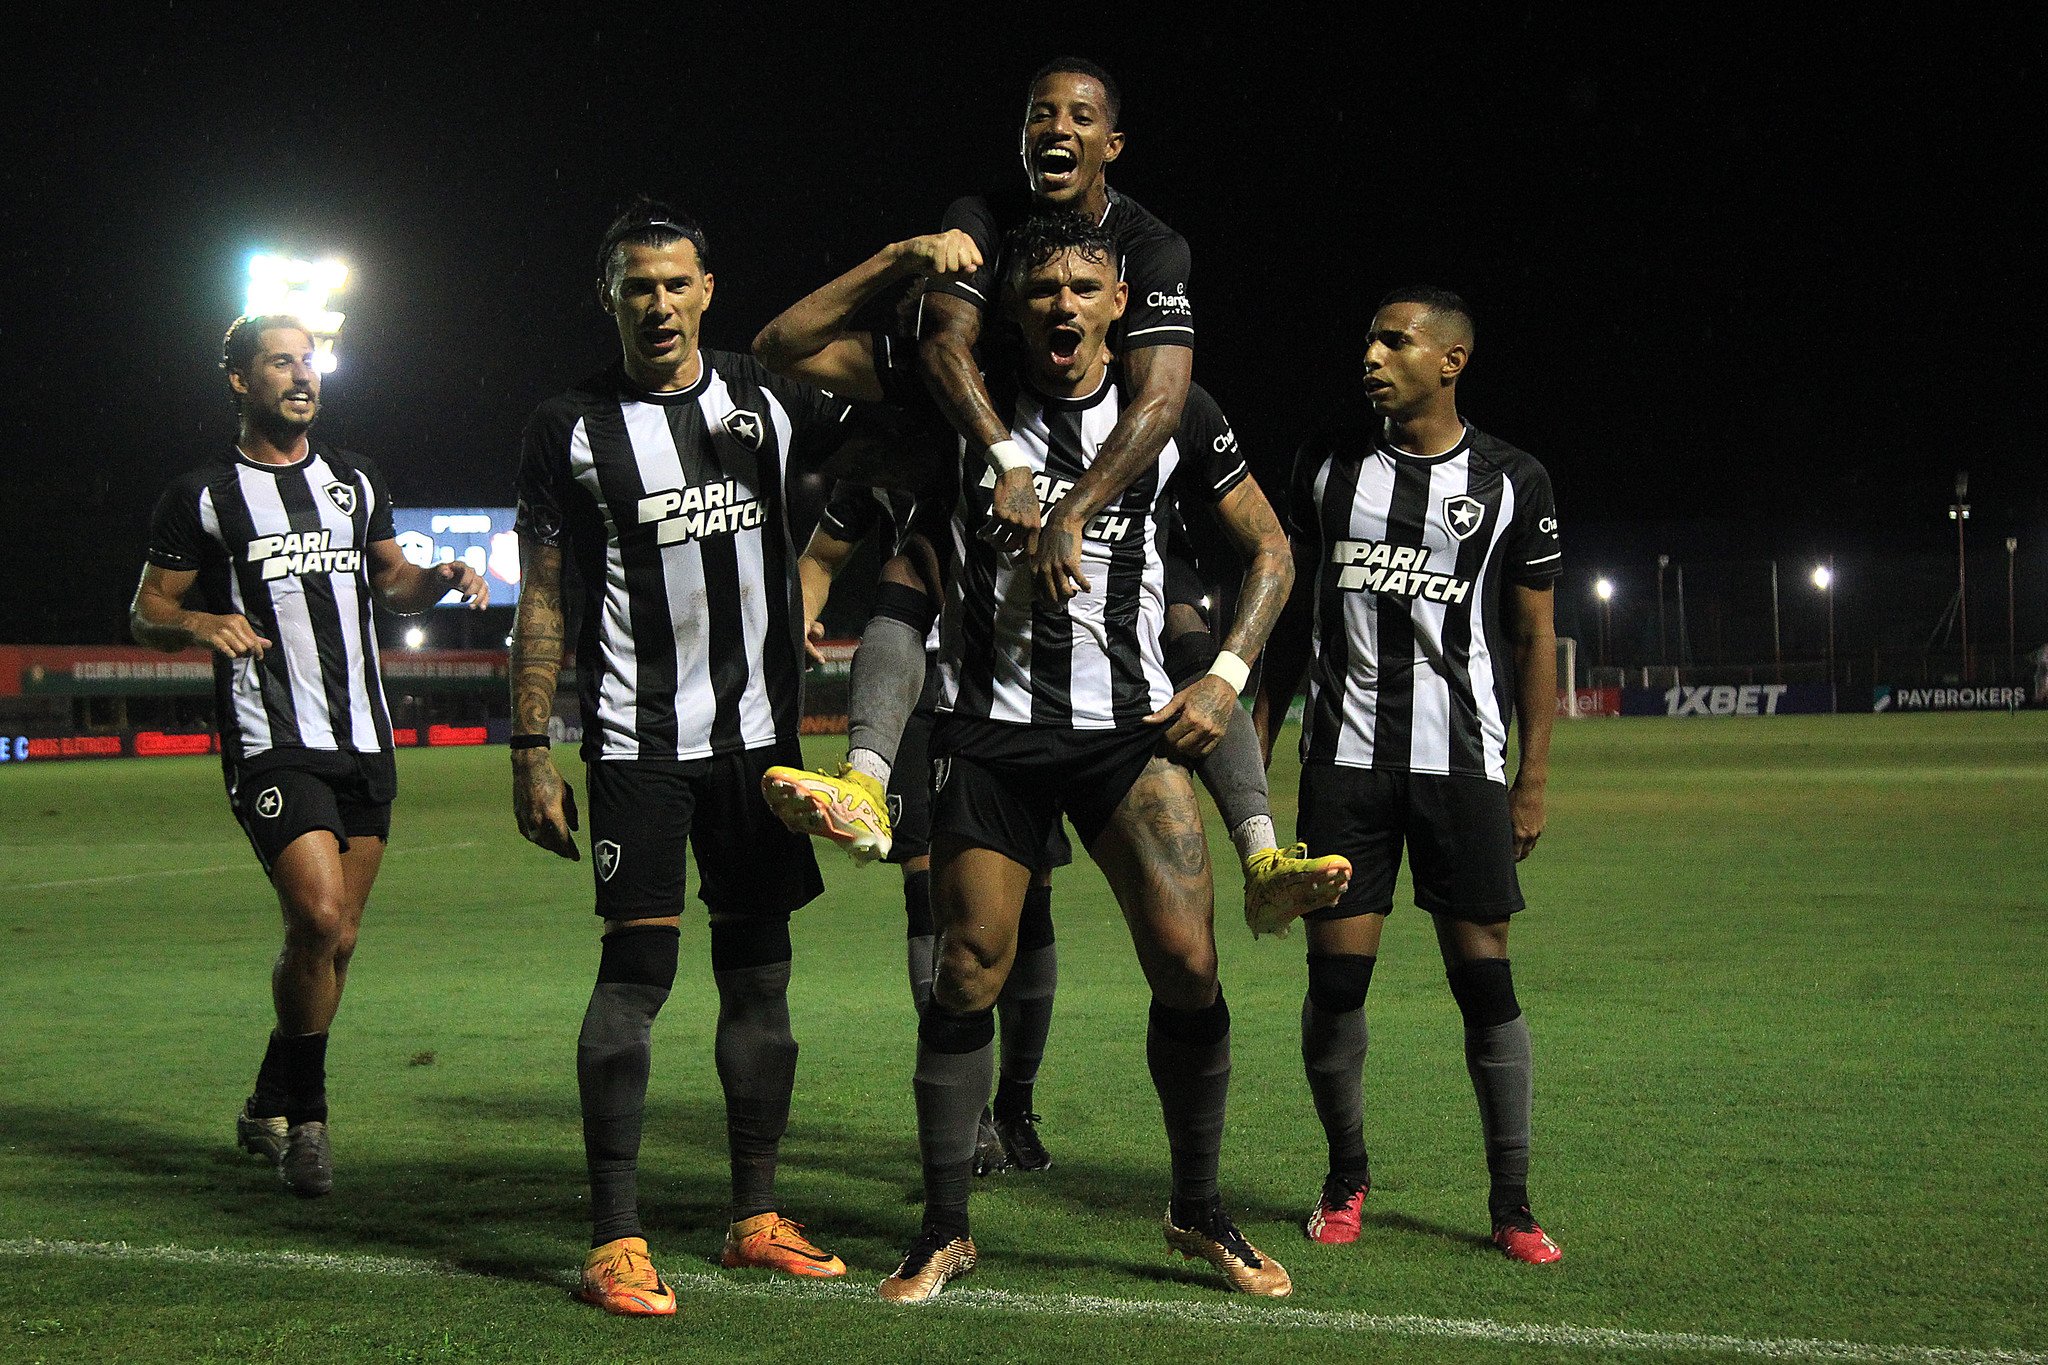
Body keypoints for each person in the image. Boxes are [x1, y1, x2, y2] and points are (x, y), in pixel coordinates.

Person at [750, 210, 1299, 1301]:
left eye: (1081, 287)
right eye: (1039, 286)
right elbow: (785, 345)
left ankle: (1198, 1212)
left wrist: (1224, 673)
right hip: (987, 734)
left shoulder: (1176, 413)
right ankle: (944, 1226)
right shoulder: (962, 402)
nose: (1059, 303)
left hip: (1122, 735)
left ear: (1118, 306)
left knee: (1189, 965)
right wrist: (903, 256)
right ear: (1012, 303)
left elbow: (1270, 551)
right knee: (963, 971)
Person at [507, 200, 976, 1317]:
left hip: (761, 742)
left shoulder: (763, 394)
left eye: (676, 284)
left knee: (760, 980)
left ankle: (752, 1214)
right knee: (637, 978)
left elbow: (907, 420)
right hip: (637, 741)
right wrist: (530, 743)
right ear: (608, 298)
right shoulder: (567, 426)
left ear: (706, 291)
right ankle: (614, 1237)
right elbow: (540, 597)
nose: (658, 305)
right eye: (636, 287)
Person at [764, 55, 1346, 941]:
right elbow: (891, 347)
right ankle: (865, 782)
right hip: (988, 478)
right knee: (921, 556)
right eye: (1039, 114)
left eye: (1079, 116)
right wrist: (906, 264)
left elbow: (1160, 399)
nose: (1056, 129)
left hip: (1122, 492)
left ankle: (1261, 848)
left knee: (1183, 619)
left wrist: (1073, 509)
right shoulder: (981, 222)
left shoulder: (1154, 248)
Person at [131, 314, 488, 1199]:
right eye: (280, 362)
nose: (302, 375)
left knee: (338, 939)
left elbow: (390, 577)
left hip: (365, 739)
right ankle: (312, 1119)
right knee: (320, 920)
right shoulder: (203, 495)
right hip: (271, 740)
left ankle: (264, 1101)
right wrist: (200, 620)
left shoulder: (355, 482)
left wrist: (438, 578)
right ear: (239, 381)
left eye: (310, 360)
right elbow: (147, 609)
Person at [1253, 287, 1565, 1264]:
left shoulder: (1513, 478)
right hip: (1342, 766)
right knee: (1336, 984)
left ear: (1450, 361)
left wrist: (1530, 780)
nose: (1372, 356)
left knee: (1485, 986)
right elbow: (1291, 624)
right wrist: (1252, 758)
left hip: (1460, 766)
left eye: (1395, 341)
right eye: (1368, 340)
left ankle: (1510, 1205)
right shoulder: (1323, 466)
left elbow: (1532, 634)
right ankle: (1343, 1180)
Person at [788, 478, 1069, 1175]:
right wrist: (799, 614)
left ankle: (1016, 1103)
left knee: (1031, 902)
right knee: (932, 900)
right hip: (920, 699)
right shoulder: (900, 454)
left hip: (1012, 691)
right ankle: (970, 1116)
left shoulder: (1025, 433)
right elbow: (820, 558)